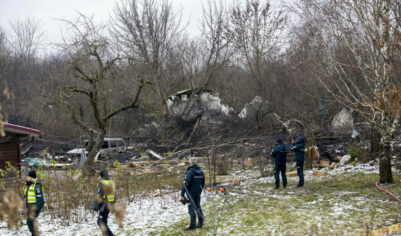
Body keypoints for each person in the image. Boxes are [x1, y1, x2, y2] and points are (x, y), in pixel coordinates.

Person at [180, 157, 205, 230]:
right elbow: (203, 183)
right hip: (198, 192)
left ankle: (192, 226)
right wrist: (199, 190)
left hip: (190, 193)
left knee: (191, 209)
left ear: (190, 163)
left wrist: (182, 194)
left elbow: (186, 184)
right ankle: (200, 224)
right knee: (198, 207)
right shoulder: (201, 171)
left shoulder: (190, 172)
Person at [95, 169, 115, 236]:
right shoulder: (111, 182)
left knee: (100, 222)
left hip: (104, 205)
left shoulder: (101, 183)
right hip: (110, 205)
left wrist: (96, 206)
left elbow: (99, 195)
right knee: (104, 222)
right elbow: (114, 195)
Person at [24, 170, 44, 236]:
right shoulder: (29, 186)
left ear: (32, 177)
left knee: (29, 221)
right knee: (30, 222)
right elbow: (27, 198)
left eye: (27, 176)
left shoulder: (37, 185)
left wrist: (35, 208)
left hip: (35, 206)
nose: (26, 177)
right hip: (29, 207)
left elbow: (40, 199)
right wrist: (26, 207)